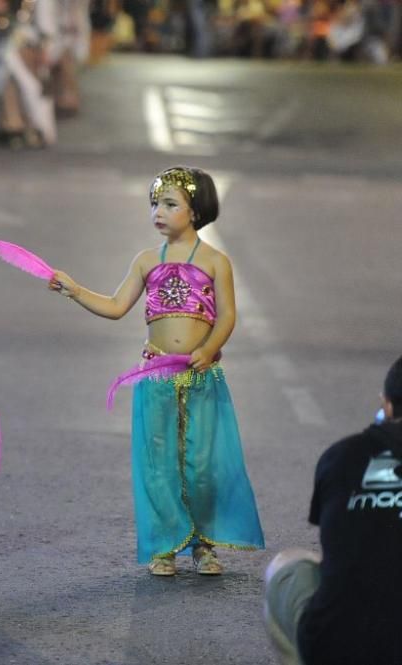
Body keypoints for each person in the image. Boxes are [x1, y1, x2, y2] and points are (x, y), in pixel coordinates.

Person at [48, 166, 265, 575]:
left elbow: (228, 316)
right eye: (154, 204)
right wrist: (74, 290)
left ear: (195, 211)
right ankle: (165, 544)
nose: (158, 212)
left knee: (200, 463)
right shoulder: (147, 261)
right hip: (156, 377)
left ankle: (202, 545)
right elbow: (115, 306)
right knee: (158, 460)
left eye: (169, 204)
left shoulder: (217, 262)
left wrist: (210, 348)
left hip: (201, 376)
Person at [263, 355, 402, 665]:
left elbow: (337, 542)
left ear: (387, 405)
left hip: (337, 644)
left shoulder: (343, 455)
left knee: (288, 563)